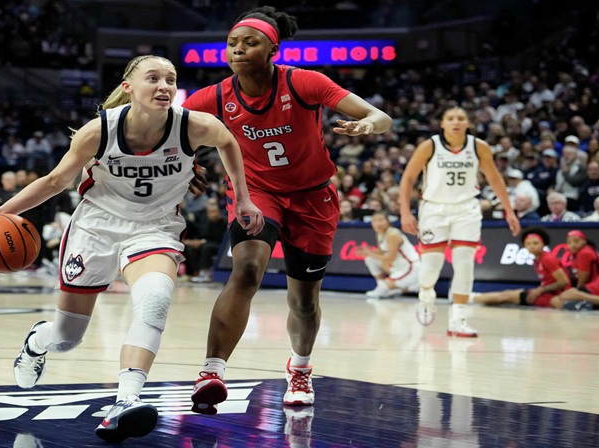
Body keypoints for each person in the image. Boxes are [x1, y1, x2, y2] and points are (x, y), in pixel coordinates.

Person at [0, 55, 263, 443]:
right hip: (96, 229)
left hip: (154, 229)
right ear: (128, 87)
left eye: (170, 80)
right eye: (153, 78)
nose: (164, 86)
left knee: (155, 299)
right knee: (66, 337)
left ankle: (126, 400)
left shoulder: (193, 126)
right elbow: (56, 180)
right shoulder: (97, 132)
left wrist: (242, 198)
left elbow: (227, 141)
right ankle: (36, 343)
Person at [182, 5, 392, 414]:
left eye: (250, 42)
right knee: (246, 270)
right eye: (232, 43)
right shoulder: (215, 96)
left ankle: (300, 367)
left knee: (304, 301)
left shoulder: (303, 81)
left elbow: (379, 116)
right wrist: (184, 161)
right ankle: (211, 371)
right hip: (256, 192)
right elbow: (169, 129)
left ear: (272, 48)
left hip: (313, 197)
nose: (238, 49)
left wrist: (368, 124)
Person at [399, 106, 520, 337]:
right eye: (451, 118)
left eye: (461, 118)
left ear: (467, 123)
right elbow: (408, 178)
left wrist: (509, 211)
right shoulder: (429, 146)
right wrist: (405, 212)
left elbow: (494, 178)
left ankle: (458, 318)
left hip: (466, 209)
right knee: (431, 267)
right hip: (434, 209)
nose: (456, 122)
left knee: (465, 264)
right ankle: (426, 296)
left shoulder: (478, 147)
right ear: (442, 123)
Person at [471, 227, 570, 308]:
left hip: (556, 294)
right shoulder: (537, 259)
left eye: (536, 243)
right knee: (507, 295)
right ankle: (472, 298)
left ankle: (468, 298)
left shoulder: (547, 258)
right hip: (547, 292)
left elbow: (564, 282)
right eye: (528, 244)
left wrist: (540, 290)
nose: (532, 246)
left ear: (543, 244)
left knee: (506, 296)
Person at [356, 211, 420, 298]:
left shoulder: (392, 234)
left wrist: (370, 253)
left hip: (411, 267)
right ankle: (386, 287)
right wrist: (367, 251)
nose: (377, 223)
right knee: (370, 259)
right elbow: (382, 252)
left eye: (381, 220)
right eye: (374, 221)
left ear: (388, 221)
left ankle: (412, 287)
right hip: (398, 267)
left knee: (383, 288)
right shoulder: (379, 234)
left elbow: (391, 258)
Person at [555, 230, 599, 311]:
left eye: (576, 241)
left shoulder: (584, 252)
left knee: (567, 295)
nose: (572, 245)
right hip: (596, 288)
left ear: (584, 241)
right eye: (569, 242)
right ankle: (582, 305)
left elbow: (583, 280)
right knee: (556, 301)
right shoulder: (574, 256)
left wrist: (576, 293)